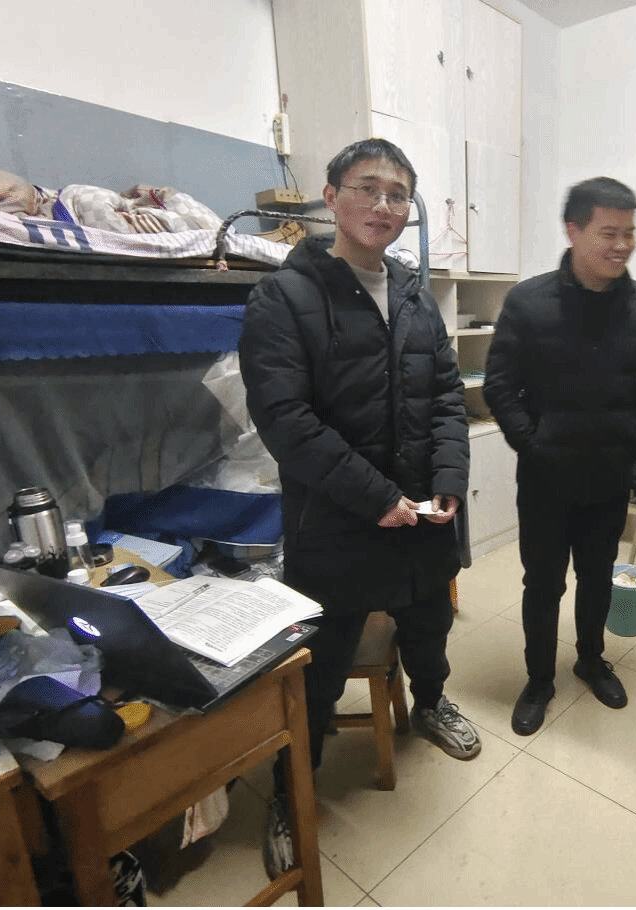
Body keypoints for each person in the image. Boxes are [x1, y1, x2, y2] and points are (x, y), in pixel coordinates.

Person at [238, 137, 480, 875]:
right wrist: (377, 499)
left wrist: (447, 478)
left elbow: (446, 396)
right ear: (332, 196)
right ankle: (293, 787)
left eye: (398, 193)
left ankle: (431, 702)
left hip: (422, 514)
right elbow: (286, 422)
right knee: (320, 664)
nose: (384, 204)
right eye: (368, 188)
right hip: (337, 521)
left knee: (429, 621)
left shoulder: (413, 294)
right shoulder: (285, 297)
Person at [484, 176, 636, 736]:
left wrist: (633, 443)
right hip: (544, 480)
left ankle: (591, 660)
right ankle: (538, 679)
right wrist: (533, 443)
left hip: (610, 477)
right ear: (573, 230)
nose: (622, 245)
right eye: (609, 233)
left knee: (597, 578)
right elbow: (500, 385)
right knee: (543, 584)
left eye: (629, 233)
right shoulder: (529, 301)